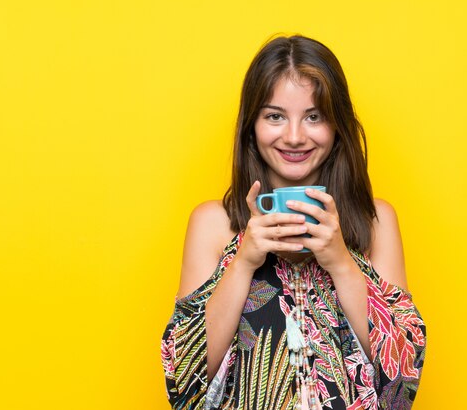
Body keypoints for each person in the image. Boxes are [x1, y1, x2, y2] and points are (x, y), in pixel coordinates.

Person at [161, 35, 426, 410]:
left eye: (314, 116)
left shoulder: (375, 220)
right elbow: (184, 379)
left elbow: (402, 378)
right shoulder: (213, 224)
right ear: (251, 126)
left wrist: (340, 261)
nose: (295, 136)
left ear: (337, 126)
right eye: (275, 116)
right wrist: (244, 261)